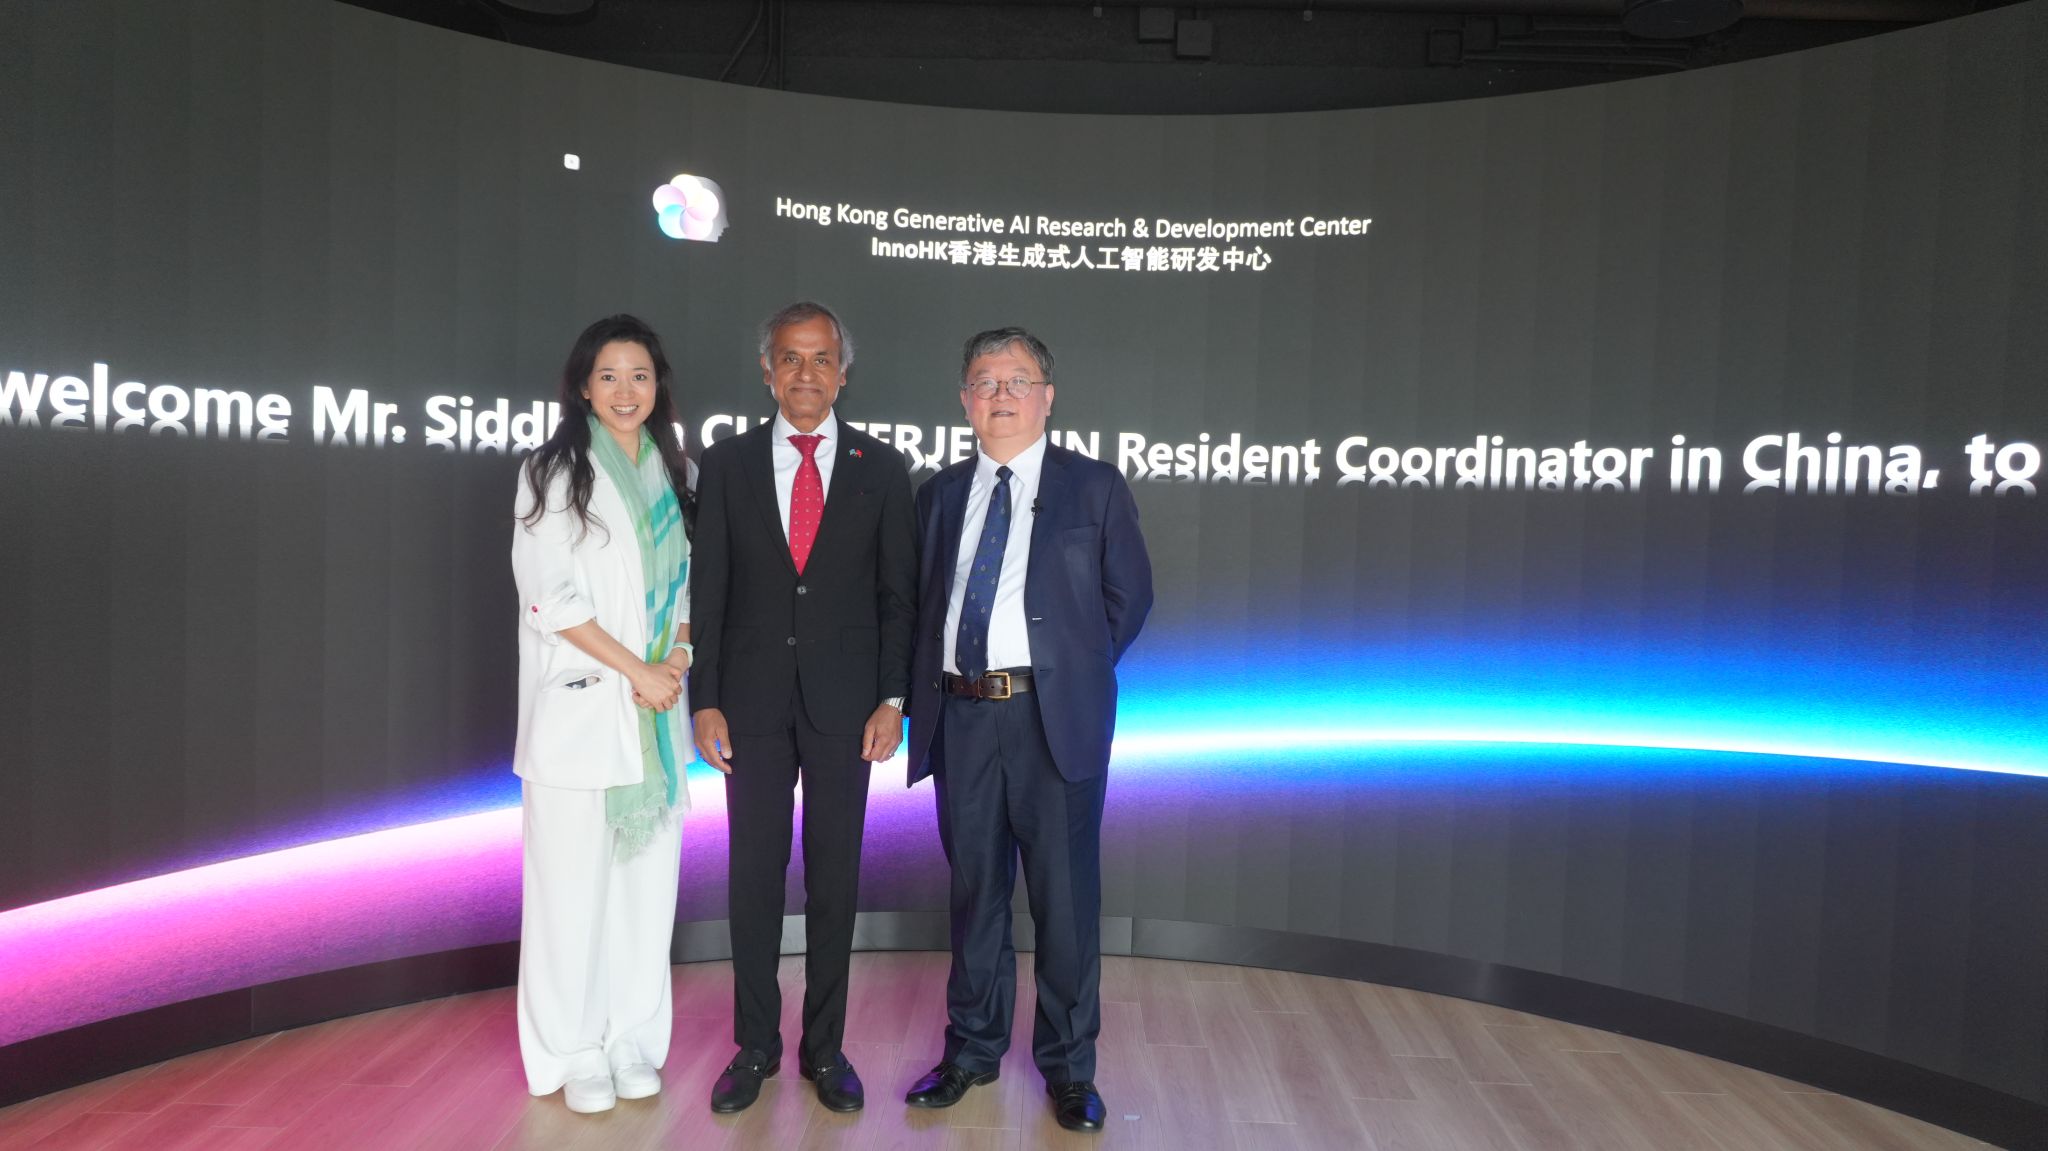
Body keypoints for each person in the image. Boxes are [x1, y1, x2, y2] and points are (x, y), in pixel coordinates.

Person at [901, 327, 1153, 1133]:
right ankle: (971, 1050)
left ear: (1047, 396)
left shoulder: (1095, 488)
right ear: (965, 401)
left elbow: (1129, 598)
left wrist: (1066, 672)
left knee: (1065, 903)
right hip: (962, 717)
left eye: (1018, 379)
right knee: (975, 895)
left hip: (1054, 720)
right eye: (985, 380)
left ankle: (1070, 1069)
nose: (1001, 393)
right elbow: (922, 609)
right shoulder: (938, 494)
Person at [689, 301, 917, 1114]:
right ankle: (754, 1046)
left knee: (833, 880)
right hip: (746, 706)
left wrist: (893, 698)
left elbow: (899, 598)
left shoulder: (881, 468)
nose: (806, 373)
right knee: (752, 877)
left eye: (822, 359)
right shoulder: (725, 464)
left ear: (843, 372)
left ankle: (826, 1049)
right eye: (791, 358)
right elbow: (707, 592)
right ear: (766, 370)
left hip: (847, 709)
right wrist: (704, 700)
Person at [510, 314, 697, 1114]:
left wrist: (677, 662)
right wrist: (639, 671)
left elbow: (686, 587)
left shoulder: (671, 472)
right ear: (584, 385)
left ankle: (630, 1039)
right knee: (568, 895)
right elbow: (552, 597)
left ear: (658, 388)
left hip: (654, 716)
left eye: (641, 375)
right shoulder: (553, 472)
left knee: (644, 894)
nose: (627, 391)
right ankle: (571, 1047)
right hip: (585, 715)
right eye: (610, 376)